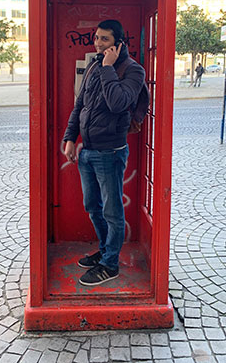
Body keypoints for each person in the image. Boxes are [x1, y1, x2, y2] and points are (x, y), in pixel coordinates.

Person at [63, 20, 145, 287]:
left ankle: (110, 265)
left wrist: (109, 68)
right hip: (87, 150)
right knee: (92, 207)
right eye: (96, 38)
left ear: (119, 44)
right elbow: (81, 104)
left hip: (110, 153)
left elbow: (118, 103)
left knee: (112, 212)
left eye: (105, 39)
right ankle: (105, 250)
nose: (98, 44)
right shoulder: (94, 65)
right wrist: (70, 138)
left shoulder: (133, 71)